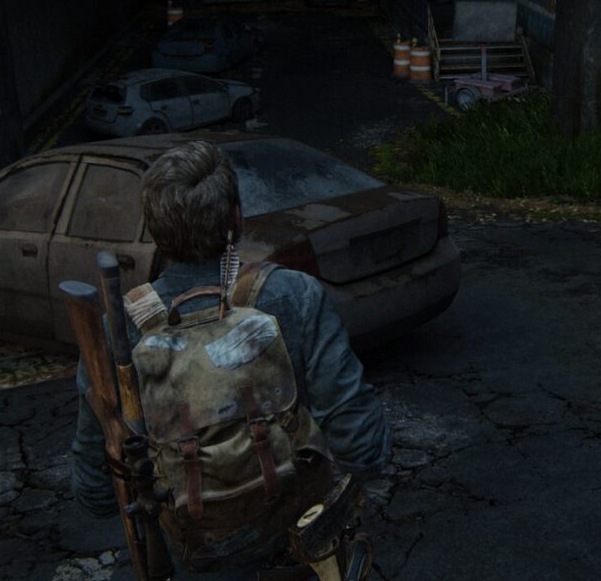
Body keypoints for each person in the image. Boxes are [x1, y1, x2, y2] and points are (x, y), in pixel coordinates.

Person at [70, 139, 391, 576]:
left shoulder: (119, 330)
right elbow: (365, 449)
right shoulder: (295, 296)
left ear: (154, 232)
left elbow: (95, 495)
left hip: (194, 560)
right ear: (236, 219)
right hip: (302, 553)